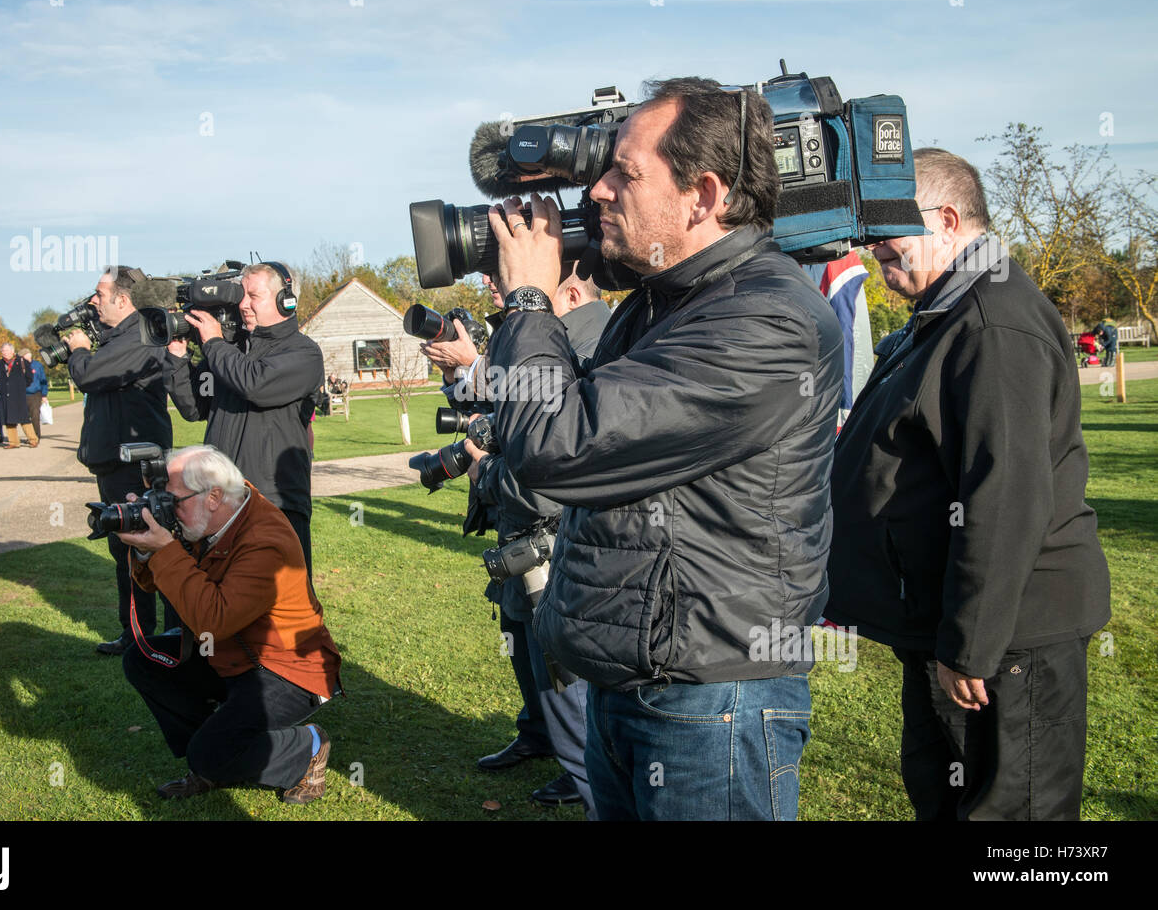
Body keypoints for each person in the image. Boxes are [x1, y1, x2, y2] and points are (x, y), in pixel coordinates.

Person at [482, 78, 844, 821]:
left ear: (703, 195)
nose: (598, 192)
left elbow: (558, 443)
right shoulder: (662, 302)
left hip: (711, 699)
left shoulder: (766, 319)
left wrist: (528, 302)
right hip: (636, 684)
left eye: (624, 172)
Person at [824, 148, 1111, 820]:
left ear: (946, 219)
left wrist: (969, 645)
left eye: (892, 252)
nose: (880, 270)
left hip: (1005, 647)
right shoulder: (949, 311)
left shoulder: (993, 323)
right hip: (950, 630)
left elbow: (1003, 497)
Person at [420, 266, 610, 812]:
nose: (501, 296)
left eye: (513, 287)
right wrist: (466, 370)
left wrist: (485, 472)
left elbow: (556, 446)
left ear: (570, 293)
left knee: (557, 663)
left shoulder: (592, 341)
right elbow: (488, 412)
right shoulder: (547, 338)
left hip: (552, 531)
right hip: (517, 528)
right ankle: (540, 735)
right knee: (524, 647)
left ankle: (581, 771)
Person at [119, 445, 341, 803]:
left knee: (210, 754)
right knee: (142, 661)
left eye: (173, 501)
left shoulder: (266, 540)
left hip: (287, 669)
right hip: (231, 653)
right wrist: (148, 548)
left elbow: (214, 619)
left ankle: (306, 746)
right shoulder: (213, 515)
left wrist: (165, 550)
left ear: (214, 496)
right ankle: (215, 752)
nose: (168, 510)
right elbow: (154, 582)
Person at [163, 262, 324, 577]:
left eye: (255, 295)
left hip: (273, 503)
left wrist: (212, 342)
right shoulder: (231, 352)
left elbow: (255, 385)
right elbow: (194, 407)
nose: (244, 304)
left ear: (285, 300)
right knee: (219, 599)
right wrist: (178, 359)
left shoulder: (304, 353)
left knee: (280, 603)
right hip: (222, 500)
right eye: (241, 295)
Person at [65, 265, 176, 655]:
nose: (93, 301)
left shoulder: (138, 338)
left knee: (141, 548)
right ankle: (139, 635)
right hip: (118, 461)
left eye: (99, 294)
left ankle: (158, 635)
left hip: (135, 462)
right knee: (129, 551)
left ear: (123, 300)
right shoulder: (121, 339)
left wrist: (79, 349)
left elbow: (90, 375)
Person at [0, 344, 38, 449]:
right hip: (6, 395)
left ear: (12, 351)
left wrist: (21, 387)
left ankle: (33, 440)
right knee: (9, 419)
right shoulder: (0, 363)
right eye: (3, 351)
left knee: (24, 418)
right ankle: (13, 442)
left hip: (18, 394)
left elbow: (29, 377)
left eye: (6, 350)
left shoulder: (22, 361)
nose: (4, 352)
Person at [19, 349, 49, 443]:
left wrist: (44, 394)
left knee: (35, 416)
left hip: (35, 394)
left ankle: (36, 436)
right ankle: (30, 436)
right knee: (25, 417)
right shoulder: (19, 366)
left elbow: (43, 380)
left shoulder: (37, 365)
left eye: (28, 354)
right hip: (22, 394)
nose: (27, 356)